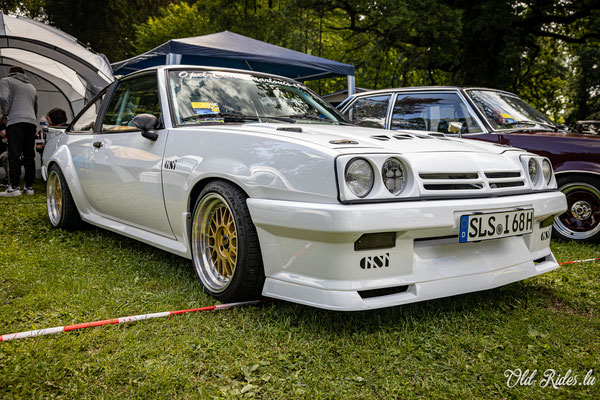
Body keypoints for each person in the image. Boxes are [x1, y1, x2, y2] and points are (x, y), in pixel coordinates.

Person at [0, 66, 38, 197]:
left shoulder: (6, 81)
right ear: (24, 74)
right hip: (31, 122)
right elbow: (35, 107)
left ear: (11, 73)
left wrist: (5, 115)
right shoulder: (31, 87)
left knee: (14, 154)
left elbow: (4, 98)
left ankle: (14, 187)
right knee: (29, 155)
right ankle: (29, 187)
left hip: (15, 120)